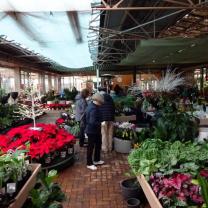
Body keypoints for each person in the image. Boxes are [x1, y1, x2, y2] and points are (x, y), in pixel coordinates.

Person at [85, 92, 104, 171]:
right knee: (91, 147)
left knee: (98, 144)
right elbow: (92, 122)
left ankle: (96, 160)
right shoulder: (93, 108)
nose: (101, 104)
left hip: (94, 130)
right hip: (92, 131)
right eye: (101, 102)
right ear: (98, 101)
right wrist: (101, 123)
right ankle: (89, 163)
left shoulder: (92, 105)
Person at [99, 88, 115, 153]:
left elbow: (98, 109)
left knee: (104, 134)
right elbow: (114, 107)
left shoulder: (100, 98)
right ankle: (110, 148)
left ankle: (105, 149)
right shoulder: (110, 97)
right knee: (110, 133)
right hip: (111, 118)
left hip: (103, 119)